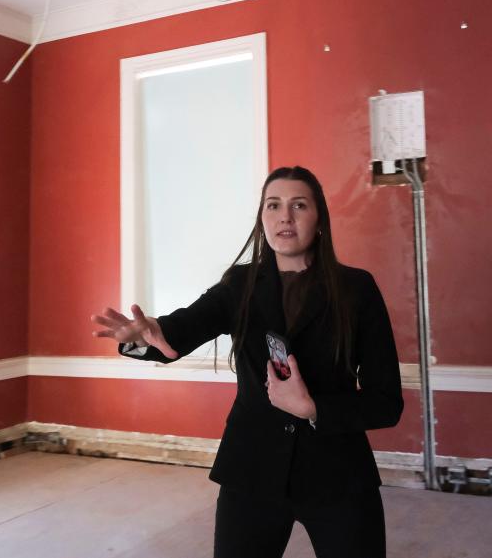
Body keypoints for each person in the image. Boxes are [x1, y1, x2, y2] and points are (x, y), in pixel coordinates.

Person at [90, 166, 404, 558]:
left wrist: (312, 408)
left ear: (319, 218)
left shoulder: (356, 290)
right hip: (252, 469)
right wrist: (144, 337)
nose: (284, 216)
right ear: (262, 219)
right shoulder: (240, 285)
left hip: (337, 473)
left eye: (299, 205)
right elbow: (181, 328)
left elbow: (386, 401)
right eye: (273, 205)